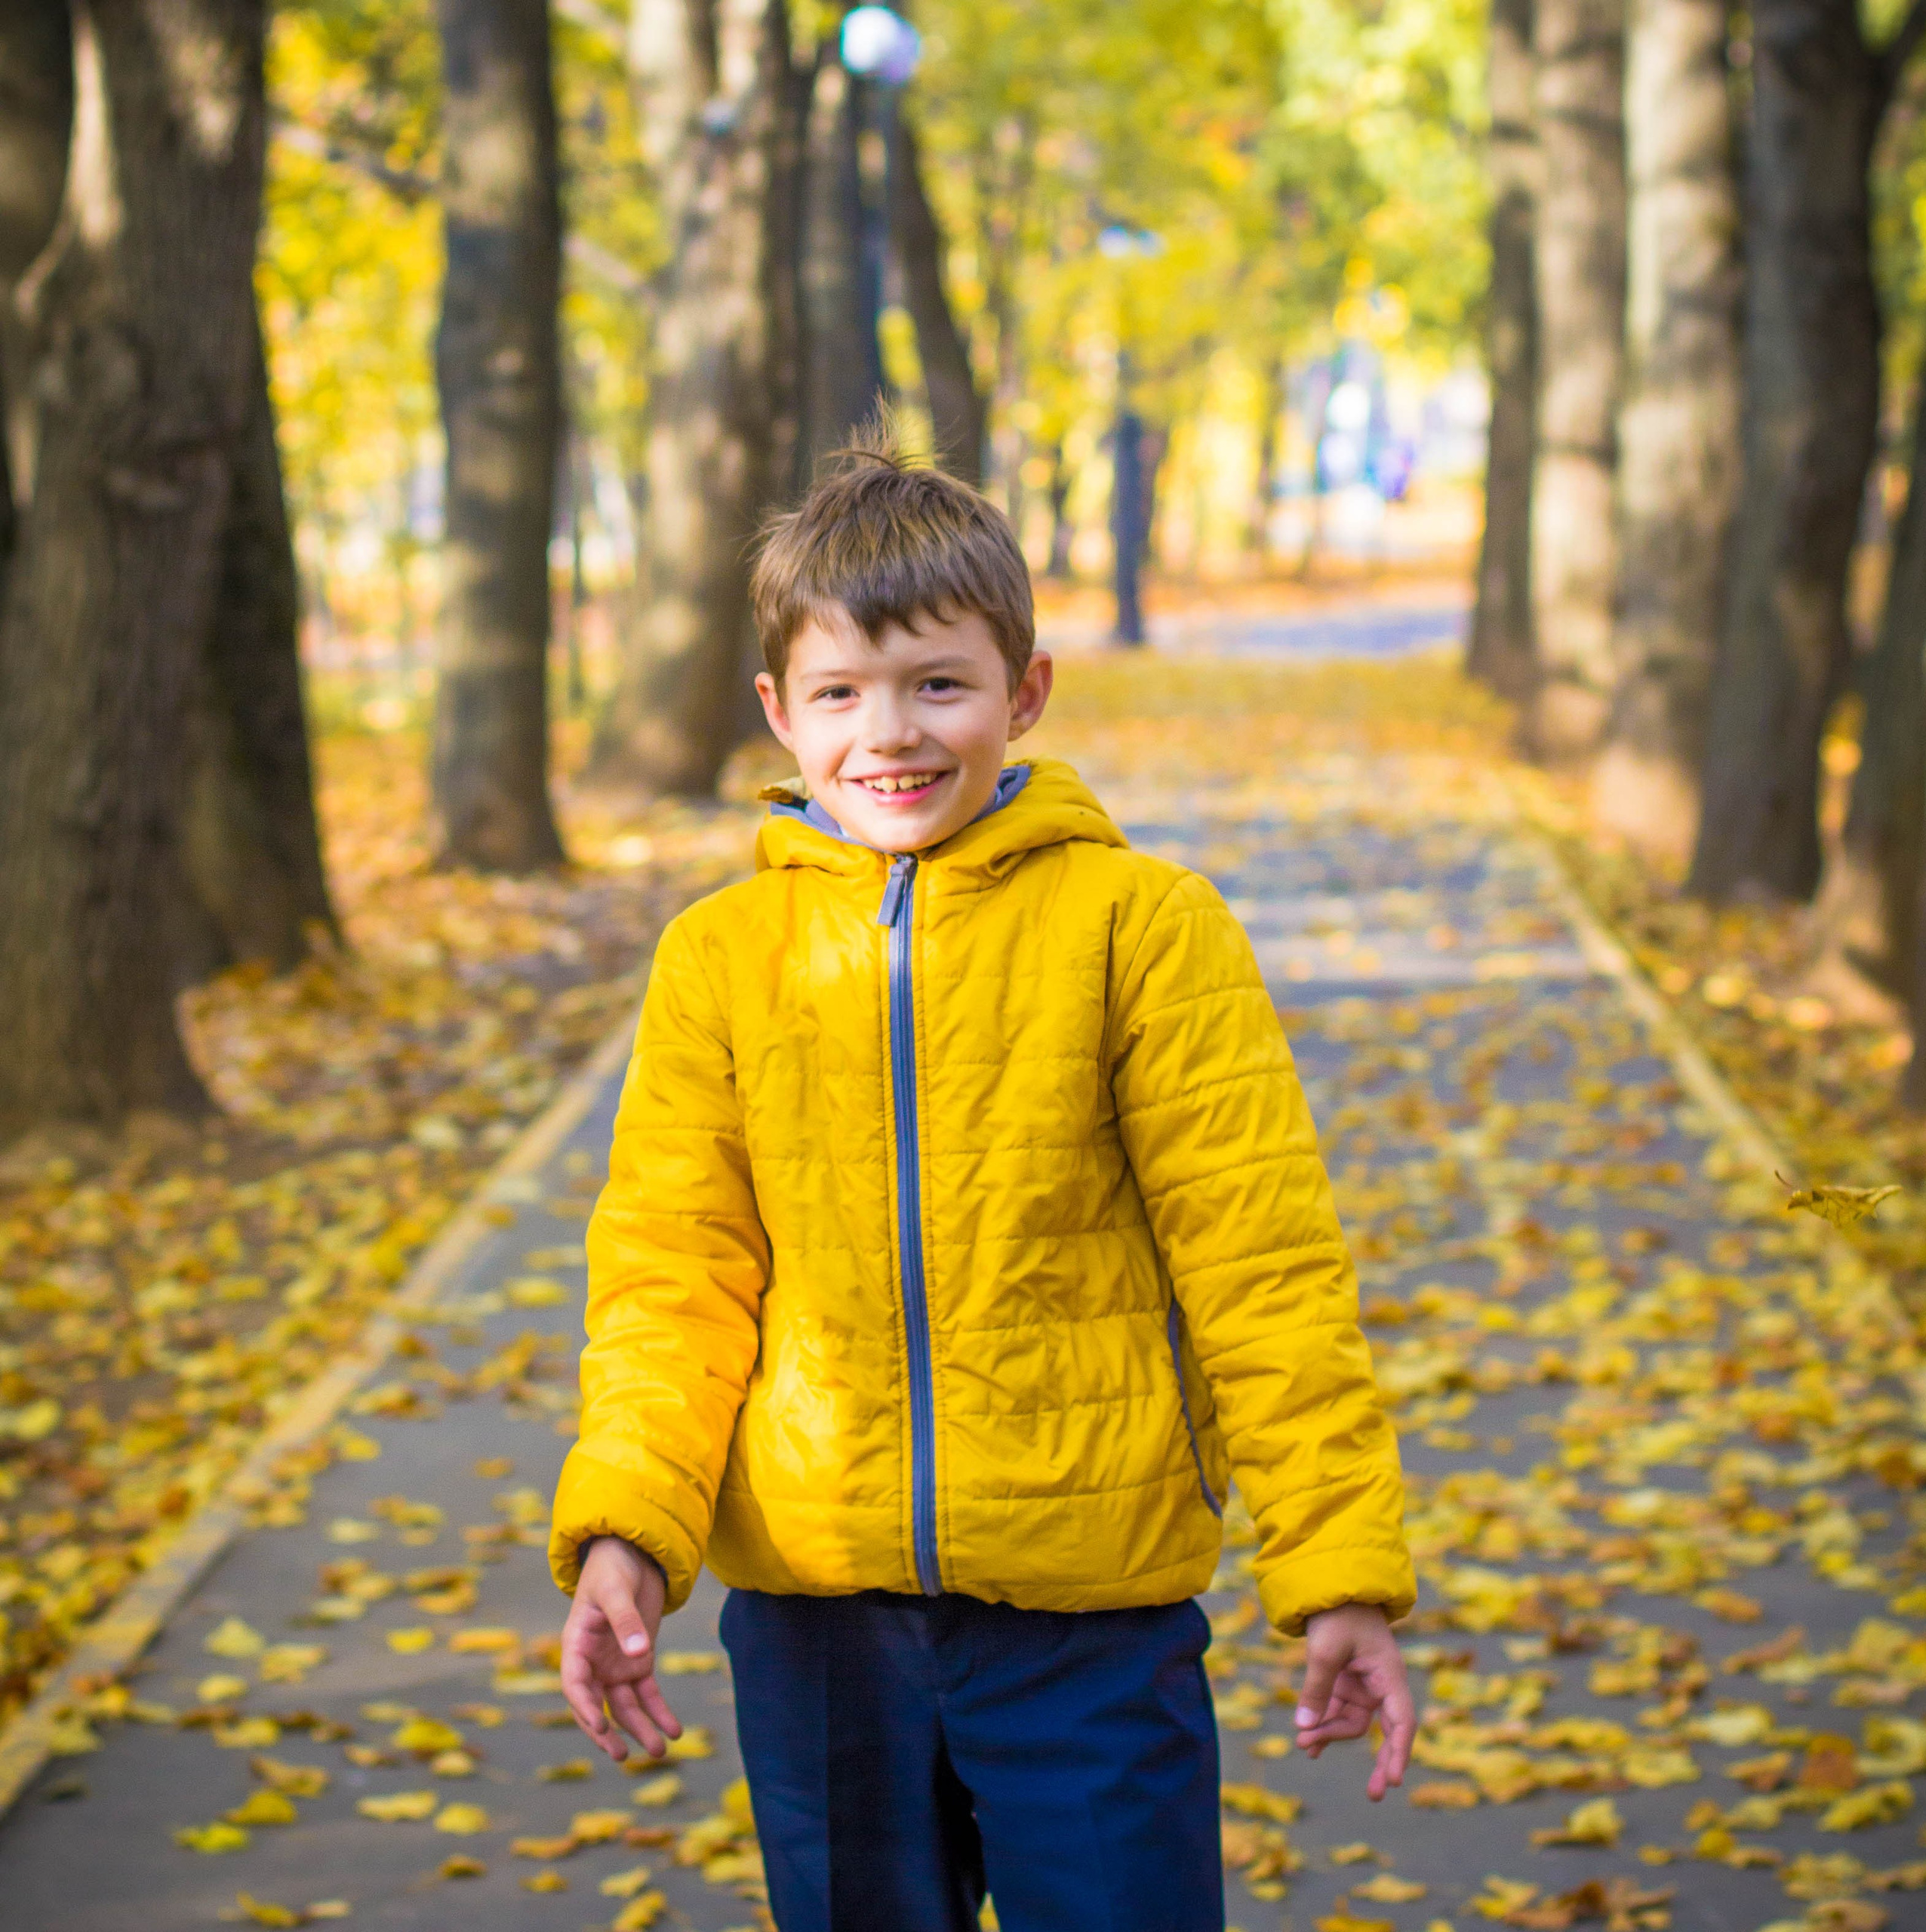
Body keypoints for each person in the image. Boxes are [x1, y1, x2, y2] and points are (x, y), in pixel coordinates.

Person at [550, 432, 1416, 1932]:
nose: (888, 732)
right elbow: (669, 1275)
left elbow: (1260, 1267)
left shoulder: (1141, 928)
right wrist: (629, 1522)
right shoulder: (718, 959)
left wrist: (1332, 1562)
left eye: (936, 683)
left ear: (1024, 691)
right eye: (839, 692)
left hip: (1091, 1616)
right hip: (814, 1621)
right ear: (777, 709)